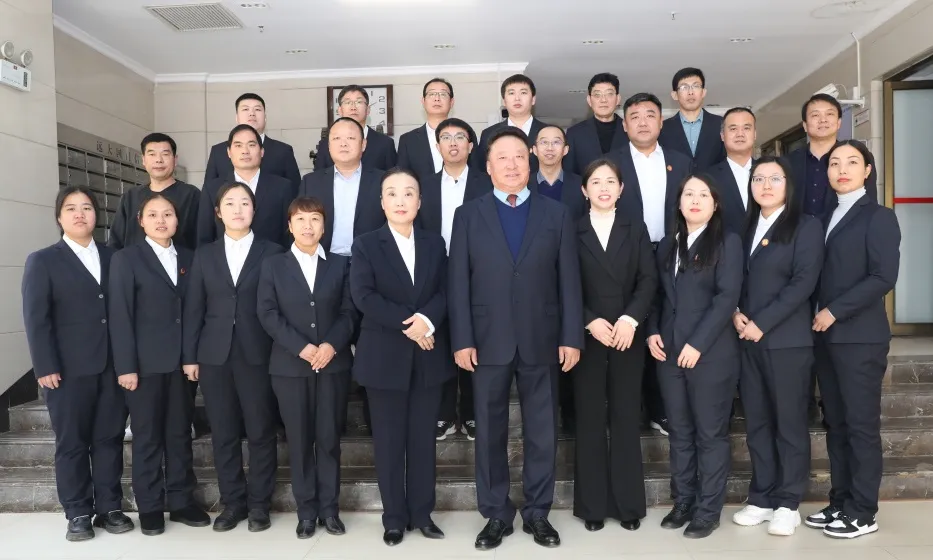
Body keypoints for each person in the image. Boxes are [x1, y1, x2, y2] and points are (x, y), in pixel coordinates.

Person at [449, 127, 583, 550]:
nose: (511, 165)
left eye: (519, 157)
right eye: (502, 158)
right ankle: (495, 514)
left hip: (542, 336)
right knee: (489, 431)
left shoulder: (556, 214)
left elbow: (569, 281)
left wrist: (571, 336)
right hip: (486, 338)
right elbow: (458, 282)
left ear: (531, 162)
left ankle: (538, 512)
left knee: (542, 430)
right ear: (487, 167)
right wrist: (462, 338)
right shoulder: (467, 215)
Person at [22, 187, 132, 542]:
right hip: (66, 371)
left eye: (86, 207)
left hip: (112, 366)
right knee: (72, 442)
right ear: (59, 217)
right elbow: (36, 319)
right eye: (71, 208)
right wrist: (44, 366)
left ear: (97, 215)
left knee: (109, 439)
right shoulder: (43, 260)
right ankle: (78, 512)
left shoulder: (115, 257)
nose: (80, 214)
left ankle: (110, 507)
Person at [350, 169, 452, 546]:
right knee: (389, 443)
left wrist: (427, 320)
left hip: (428, 357)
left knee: (423, 441)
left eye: (409, 193)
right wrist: (411, 325)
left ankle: (422, 513)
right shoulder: (366, 244)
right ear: (382, 202)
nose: (400, 200)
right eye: (392, 193)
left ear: (419, 202)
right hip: (384, 357)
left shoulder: (434, 243)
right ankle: (393, 517)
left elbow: (446, 290)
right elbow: (364, 296)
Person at [805, 140, 900, 539]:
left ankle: (863, 511)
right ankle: (841, 501)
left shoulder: (879, 217)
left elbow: (883, 277)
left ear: (867, 170)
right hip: (825, 339)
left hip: (859, 338)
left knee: (860, 426)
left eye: (852, 162)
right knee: (837, 424)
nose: (842, 169)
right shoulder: (823, 216)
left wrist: (834, 310)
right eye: (835, 163)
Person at [183, 182, 284, 533]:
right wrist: (190, 356)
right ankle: (233, 503)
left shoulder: (273, 252)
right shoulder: (205, 255)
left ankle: (259, 504)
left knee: (260, 431)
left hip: (259, 352)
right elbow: (194, 308)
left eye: (244, 203)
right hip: (214, 355)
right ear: (218, 212)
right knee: (223, 432)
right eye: (230, 203)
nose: (238, 209)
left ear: (254, 210)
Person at [730, 157, 823, 536]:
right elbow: (733, 278)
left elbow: (803, 283)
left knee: (788, 424)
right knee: (758, 423)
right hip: (746, 340)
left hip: (786, 342)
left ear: (788, 184)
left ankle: (788, 502)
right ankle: (762, 497)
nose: (765, 185)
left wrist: (762, 323)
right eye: (758, 179)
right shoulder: (744, 226)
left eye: (774, 178)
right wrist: (735, 312)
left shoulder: (805, 226)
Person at [108, 192, 210, 536]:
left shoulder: (191, 258)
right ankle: (150, 506)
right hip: (144, 366)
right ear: (141, 221)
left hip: (182, 365)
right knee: (148, 437)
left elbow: (194, 312)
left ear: (177, 221)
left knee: (179, 434)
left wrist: (192, 356)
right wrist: (125, 366)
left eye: (168, 214)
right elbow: (120, 316)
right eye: (153, 215)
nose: (161, 220)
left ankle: (181, 501)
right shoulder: (126, 259)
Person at [647, 174, 743, 539]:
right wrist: (653, 331)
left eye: (704, 194)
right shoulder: (668, 245)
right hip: (669, 352)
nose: (695, 200)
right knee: (680, 431)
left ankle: (708, 510)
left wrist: (697, 343)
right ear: (679, 202)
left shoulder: (727, 242)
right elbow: (658, 296)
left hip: (710, 354)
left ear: (715, 204)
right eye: (689, 193)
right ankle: (684, 500)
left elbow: (726, 298)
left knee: (710, 434)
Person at [257, 197, 358, 539]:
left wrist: (330, 345)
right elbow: (267, 313)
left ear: (324, 226)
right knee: (299, 442)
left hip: (333, 364)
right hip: (290, 367)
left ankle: (330, 510)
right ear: (289, 226)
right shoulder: (274, 265)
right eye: (300, 219)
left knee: (328, 439)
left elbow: (349, 312)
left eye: (315, 219)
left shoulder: (340, 265)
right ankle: (306, 513)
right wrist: (302, 347)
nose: (308, 226)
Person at [573, 158, 657, 532]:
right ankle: (592, 506)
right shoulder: (571, 228)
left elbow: (648, 279)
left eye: (610, 181)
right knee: (589, 418)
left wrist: (630, 319)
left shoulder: (635, 227)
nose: (604, 188)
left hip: (627, 335)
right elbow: (564, 283)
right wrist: (588, 320)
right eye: (596, 182)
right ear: (584, 190)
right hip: (587, 335)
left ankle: (628, 505)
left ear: (621, 189)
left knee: (625, 417)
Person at [608, 92, 692, 436]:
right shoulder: (610, 163)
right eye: (635, 116)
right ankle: (631, 410)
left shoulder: (681, 162)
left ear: (661, 122)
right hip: (626, 256)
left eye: (650, 115)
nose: (642, 122)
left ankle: (662, 409)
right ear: (624, 125)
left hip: (673, 253)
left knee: (666, 326)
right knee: (631, 326)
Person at [415, 117, 492, 440]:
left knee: (476, 339)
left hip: (478, 272)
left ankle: (472, 413)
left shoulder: (487, 184)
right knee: (442, 341)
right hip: (435, 272)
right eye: (446, 137)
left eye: (460, 137)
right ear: (438, 146)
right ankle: (444, 413)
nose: (453, 143)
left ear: (471, 146)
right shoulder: (423, 185)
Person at [298, 117, 386, 257]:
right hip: (324, 261)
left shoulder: (384, 181)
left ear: (363, 144)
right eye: (336, 138)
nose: (343, 144)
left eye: (350, 138)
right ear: (329, 145)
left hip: (371, 261)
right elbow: (299, 225)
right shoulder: (311, 182)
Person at [198, 124, 294, 248]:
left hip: (273, 258)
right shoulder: (212, 189)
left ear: (262, 152)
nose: (245, 151)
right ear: (229, 152)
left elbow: (290, 234)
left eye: (251, 145)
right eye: (238, 145)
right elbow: (204, 237)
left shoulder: (282, 187)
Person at [785, 94, 878, 219]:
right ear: (805, 125)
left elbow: (869, 202)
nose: (823, 120)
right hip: (798, 230)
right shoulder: (788, 162)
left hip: (844, 229)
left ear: (839, 123)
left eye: (829, 114)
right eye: (815, 115)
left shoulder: (858, 157)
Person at [109, 133, 200, 250]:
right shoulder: (131, 197)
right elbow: (115, 242)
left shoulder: (192, 195)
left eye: (165, 154)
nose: (158, 160)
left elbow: (202, 239)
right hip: (134, 261)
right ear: (143, 160)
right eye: (152, 154)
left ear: (175, 159)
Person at [204, 92, 301, 186]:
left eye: (257, 109)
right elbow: (209, 189)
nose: (252, 113)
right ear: (237, 117)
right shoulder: (218, 151)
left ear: (265, 117)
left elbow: (296, 190)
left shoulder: (283, 151)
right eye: (245, 109)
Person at [472, 74, 550, 174]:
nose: (517, 98)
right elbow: (481, 172)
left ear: (533, 99)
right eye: (511, 93)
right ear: (504, 101)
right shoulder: (488, 134)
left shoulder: (548, 132)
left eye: (523, 93)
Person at [315, 85, 398, 171]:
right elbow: (319, 176)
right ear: (340, 110)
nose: (353, 107)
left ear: (368, 109)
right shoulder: (325, 144)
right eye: (348, 102)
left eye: (359, 102)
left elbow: (393, 176)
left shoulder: (385, 143)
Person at [658, 67, 726, 171]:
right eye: (684, 87)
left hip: (714, 181)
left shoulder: (721, 124)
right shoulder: (662, 128)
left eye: (696, 86)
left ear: (703, 92)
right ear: (675, 95)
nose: (690, 92)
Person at [564, 73, 628, 175]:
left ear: (618, 99)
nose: (603, 100)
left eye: (609, 94)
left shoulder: (631, 131)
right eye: (597, 95)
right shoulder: (574, 134)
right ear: (589, 100)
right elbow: (569, 174)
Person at [707, 107, 757, 234]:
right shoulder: (707, 178)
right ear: (722, 136)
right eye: (733, 129)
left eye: (746, 128)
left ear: (755, 134)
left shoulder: (771, 173)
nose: (740, 134)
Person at [397, 78, 454, 182]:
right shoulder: (408, 140)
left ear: (451, 102)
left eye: (443, 94)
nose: (437, 98)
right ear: (423, 101)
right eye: (431, 94)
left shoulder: (465, 135)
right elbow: (402, 178)